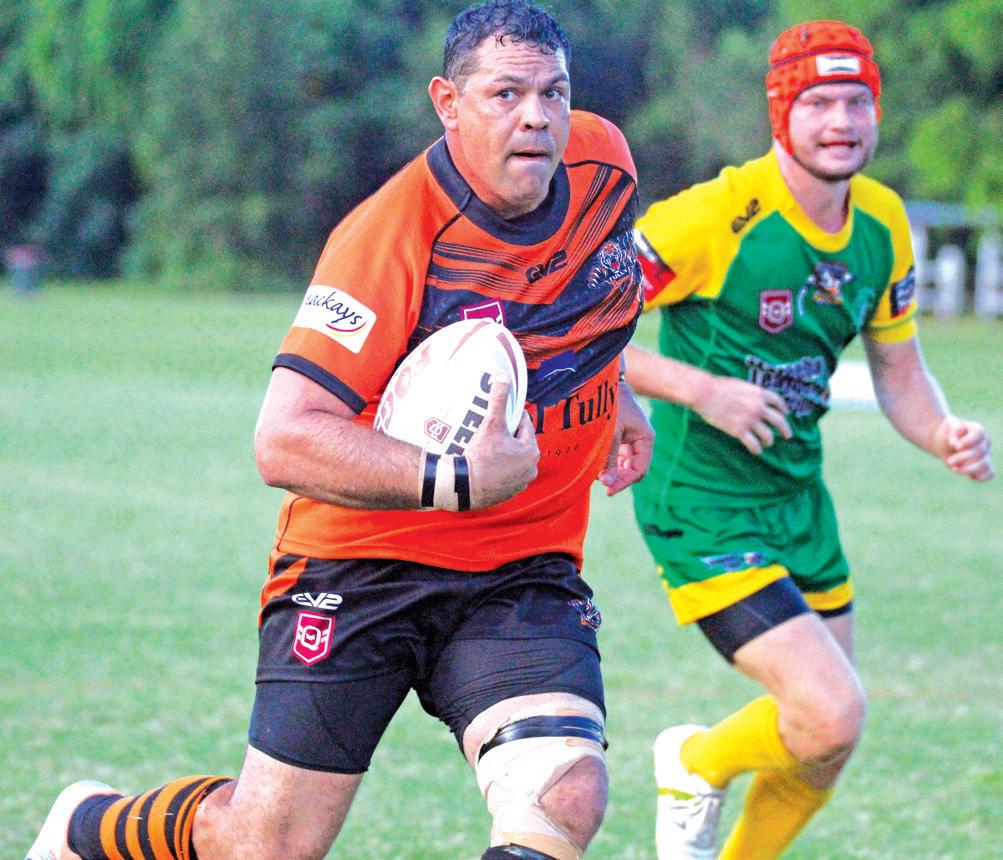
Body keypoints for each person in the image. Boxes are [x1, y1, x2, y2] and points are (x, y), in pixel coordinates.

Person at [25, 2, 653, 859]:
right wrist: (455, 478)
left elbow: (586, 288)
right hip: (361, 567)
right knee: (268, 844)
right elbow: (283, 437)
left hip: (520, 564)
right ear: (447, 102)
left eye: (554, 92)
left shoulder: (602, 158)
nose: (536, 117)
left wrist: (613, 387)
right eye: (505, 93)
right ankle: (84, 828)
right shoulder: (388, 237)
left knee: (562, 793)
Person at [626, 19, 995, 860]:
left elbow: (899, 369)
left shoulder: (882, 221)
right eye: (818, 102)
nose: (840, 121)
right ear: (779, 114)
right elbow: (573, 320)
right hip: (700, 501)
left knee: (826, 740)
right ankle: (692, 761)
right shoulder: (715, 215)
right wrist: (700, 390)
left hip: (798, 499)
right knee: (831, 710)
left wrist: (941, 432)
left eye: (856, 102)